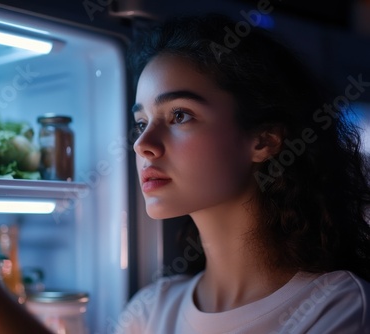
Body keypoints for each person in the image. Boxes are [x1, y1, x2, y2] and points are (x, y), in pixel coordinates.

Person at [113, 14, 370, 333]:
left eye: (180, 115)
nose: (142, 144)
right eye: (141, 123)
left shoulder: (337, 305)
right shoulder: (149, 309)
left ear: (264, 140)